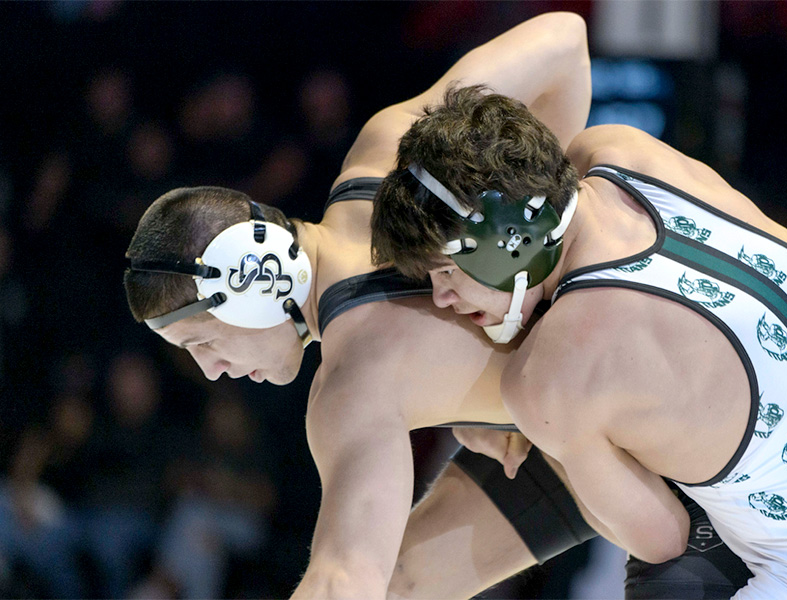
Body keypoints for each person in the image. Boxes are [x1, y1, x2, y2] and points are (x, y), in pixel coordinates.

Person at [123, 13, 750, 599]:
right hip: (668, 355)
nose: (211, 370)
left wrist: (535, 291)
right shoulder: (390, 150)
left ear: (253, 281)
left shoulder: (354, 386)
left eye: (201, 342)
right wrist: (529, 237)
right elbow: (564, 40)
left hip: (675, 435)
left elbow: (345, 577)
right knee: (405, 583)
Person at [370, 86, 787, 598]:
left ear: (507, 244)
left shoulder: (550, 379)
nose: (442, 299)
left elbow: (661, 538)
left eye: (444, 273)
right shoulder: (621, 152)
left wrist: (535, 429)